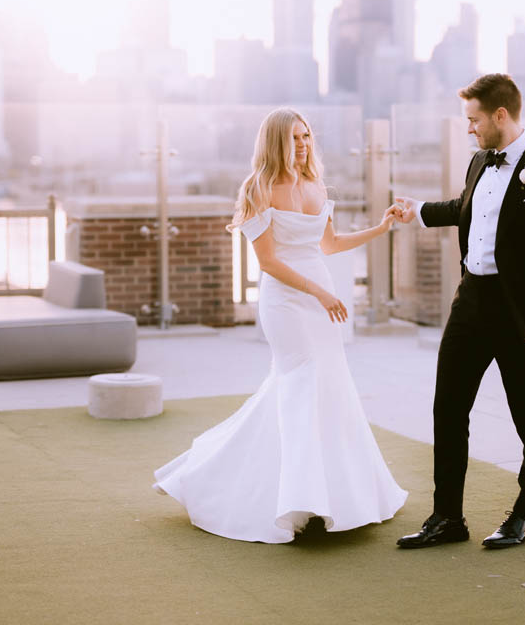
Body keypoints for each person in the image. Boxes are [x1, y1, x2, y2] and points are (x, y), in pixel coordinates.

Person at [153, 108, 408, 543]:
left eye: (306, 136)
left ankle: (330, 496)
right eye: (294, 137)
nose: (303, 144)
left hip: (320, 298)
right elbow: (269, 262)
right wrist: (319, 292)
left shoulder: (316, 185)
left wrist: (380, 228)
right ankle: (294, 500)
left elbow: (330, 244)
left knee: (327, 384)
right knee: (299, 384)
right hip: (287, 302)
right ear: (275, 142)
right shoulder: (258, 188)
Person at [391, 73, 525, 550]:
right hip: (470, 301)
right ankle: (447, 518)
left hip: (522, 315)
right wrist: (418, 211)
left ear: (500, 115)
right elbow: (468, 207)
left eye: (474, 120)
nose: (469, 128)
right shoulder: (479, 161)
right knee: (448, 409)